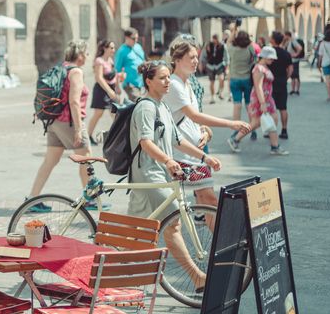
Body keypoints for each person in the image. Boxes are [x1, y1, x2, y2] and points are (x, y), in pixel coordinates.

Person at [127, 60, 222, 293]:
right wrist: (169, 161)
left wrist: (204, 158)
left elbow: (178, 141)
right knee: (173, 225)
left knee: (139, 228)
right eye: (162, 78)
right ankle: (197, 277)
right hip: (149, 174)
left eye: (169, 77)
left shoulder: (163, 106)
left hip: (161, 174)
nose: (168, 81)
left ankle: (116, 265)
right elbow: (145, 142)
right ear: (148, 81)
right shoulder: (146, 107)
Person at [163, 41, 249, 229]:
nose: (196, 61)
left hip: (193, 153)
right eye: (191, 57)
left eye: (196, 57)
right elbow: (194, 114)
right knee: (207, 200)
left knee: (207, 199)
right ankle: (222, 245)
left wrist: (204, 130)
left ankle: (219, 246)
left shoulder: (187, 84)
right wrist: (230, 124)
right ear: (177, 60)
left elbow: (191, 118)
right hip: (182, 155)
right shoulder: (175, 84)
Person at [29, 41, 105, 207]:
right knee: (86, 158)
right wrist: (79, 128)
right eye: (86, 54)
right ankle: (89, 200)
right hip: (68, 122)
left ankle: (32, 199)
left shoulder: (61, 67)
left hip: (53, 120)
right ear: (79, 55)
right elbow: (74, 102)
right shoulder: (76, 71)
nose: (87, 57)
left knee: (50, 161)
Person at [229, 46, 288, 155]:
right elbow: (258, 86)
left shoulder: (263, 67)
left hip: (266, 99)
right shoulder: (259, 69)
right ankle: (274, 146)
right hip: (261, 100)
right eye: (270, 58)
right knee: (269, 120)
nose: (273, 60)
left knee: (256, 123)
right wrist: (262, 103)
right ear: (264, 57)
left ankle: (235, 139)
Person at [86, 39, 123, 143]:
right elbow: (99, 78)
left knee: (115, 113)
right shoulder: (99, 61)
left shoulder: (110, 60)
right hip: (101, 90)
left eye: (114, 48)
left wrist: (117, 88)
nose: (113, 50)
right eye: (111, 48)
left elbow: (114, 75)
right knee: (98, 113)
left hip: (111, 89)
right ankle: (88, 136)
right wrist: (109, 91)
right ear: (104, 48)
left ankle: (118, 136)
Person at [226, 29, 258, 133]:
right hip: (247, 79)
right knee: (249, 104)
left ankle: (236, 128)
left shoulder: (232, 50)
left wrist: (233, 32)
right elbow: (255, 58)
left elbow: (227, 42)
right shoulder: (250, 48)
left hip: (235, 79)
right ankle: (252, 128)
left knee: (237, 104)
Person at [268, 32, 293, 140]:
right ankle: (284, 130)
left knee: (271, 109)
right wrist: (286, 78)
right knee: (283, 108)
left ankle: (271, 130)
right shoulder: (285, 53)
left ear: (273, 40)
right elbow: (290, 69)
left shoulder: (269, 53)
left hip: (270, 84)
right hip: (282, 83)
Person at [114, 29, 145, 99]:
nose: (136, 40)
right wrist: (117, 86)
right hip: (130, 85)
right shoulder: (121, 51)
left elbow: (143, 61)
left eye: (137, 38)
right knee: (137, 103)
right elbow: (117, 70)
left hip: (142, 83)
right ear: (126, 38)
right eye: (133, 38)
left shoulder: (138, 47)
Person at [204, 34, 228, 102]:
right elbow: (204, 54)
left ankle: (220, 92)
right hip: (210, 65)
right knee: (212, 82)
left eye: (216, 39)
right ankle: (213, 97)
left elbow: (226, 56)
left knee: (221, 78)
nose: (215, 41)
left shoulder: (222, 45)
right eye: (214, 39)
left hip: (219, 64)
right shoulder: (208, 45)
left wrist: (227, 66)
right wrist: (203, 62)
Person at [287, 30, 305, 95]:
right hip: (292, 60)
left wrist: (295, 54)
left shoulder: (293, 41)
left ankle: (297, 90)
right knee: (293, 76)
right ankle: (293, 89)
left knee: (296, 76)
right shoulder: (290, 42)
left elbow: (300, 48)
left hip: (295, 61)